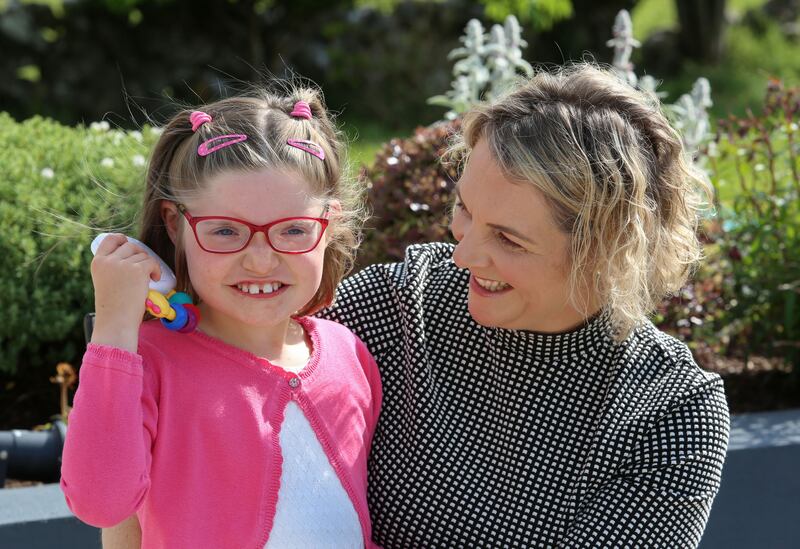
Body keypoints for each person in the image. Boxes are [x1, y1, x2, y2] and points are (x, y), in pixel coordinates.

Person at [99, 62, 731, 548]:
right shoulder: (397, 305)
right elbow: (175, 420)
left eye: (507, 239)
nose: (461, 255)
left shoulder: (672, 414)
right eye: (465, 212)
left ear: (607, 252)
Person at [60, 89, 382, 549]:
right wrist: (115, 330)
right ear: (175, 225)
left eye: (293, 229)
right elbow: (99, 503)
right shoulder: (149, 363)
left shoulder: (349, 354)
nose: (259, 260)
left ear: (327, 225)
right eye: (225, 231)